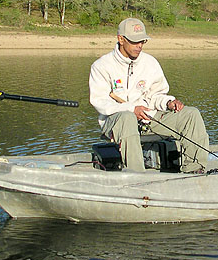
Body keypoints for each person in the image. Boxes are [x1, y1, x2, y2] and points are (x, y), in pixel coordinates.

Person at [89, 18, 209, 173]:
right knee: (127, 117)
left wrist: (168, 103)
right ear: (121, 39)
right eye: (134, 41)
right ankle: (138, 175)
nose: (139, 46)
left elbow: (156, 95)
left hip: (149, 118)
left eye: (143, 41)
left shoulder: (150, 63)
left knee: (191, 114)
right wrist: (132, 109)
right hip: (115, 121)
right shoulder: (101, 66)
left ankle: (195, 170)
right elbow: (100, 103)